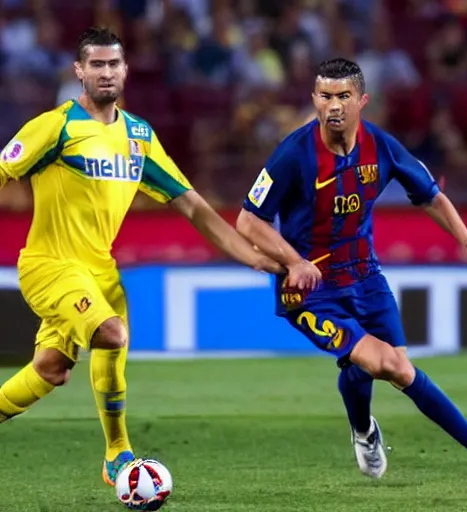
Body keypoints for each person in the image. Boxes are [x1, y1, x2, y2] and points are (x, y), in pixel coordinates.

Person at [0, 27, 318, 487]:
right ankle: (117, 455)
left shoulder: (138, 137)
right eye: (96, 64)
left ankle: (115, 454)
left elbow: (193, 205)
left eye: (113, 64)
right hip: (49, 264)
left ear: (125, 71)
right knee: (111, 333)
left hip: (98, 271)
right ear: (79, 71)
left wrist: (256, 258)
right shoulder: (56, 126)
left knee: (52, 369)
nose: (105, 72)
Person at [236, 57, 467, 493]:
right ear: (314, 100)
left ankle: (363, 430)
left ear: (362, 100)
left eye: (344, 96)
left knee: (376, 366)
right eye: (325, 96)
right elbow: (248, 221)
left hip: (367, 277)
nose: (334, 106)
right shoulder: (294, 153)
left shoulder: (381, 147)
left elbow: (432, 197)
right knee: (395, 366)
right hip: (312, 292)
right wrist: (295, 262)